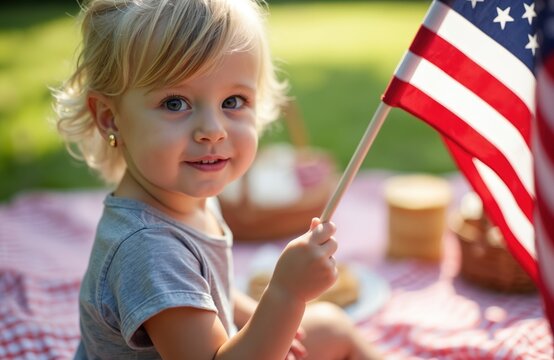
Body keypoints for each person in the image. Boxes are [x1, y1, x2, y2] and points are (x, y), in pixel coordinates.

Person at [53, 0, 381, 359]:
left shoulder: (186, 195)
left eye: (233, 101)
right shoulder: (149, 249)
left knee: (331, 327)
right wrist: (285, 295)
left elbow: (212, 294)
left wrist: (256, 317)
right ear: (110, 118)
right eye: (175, 103)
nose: (212, 130)